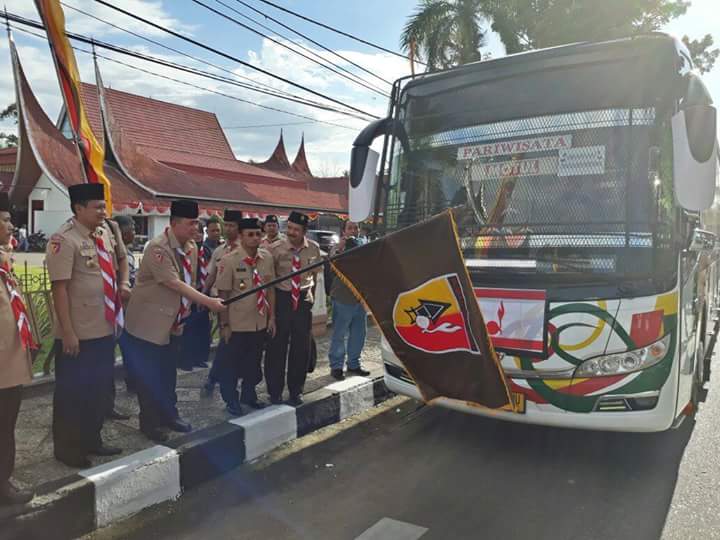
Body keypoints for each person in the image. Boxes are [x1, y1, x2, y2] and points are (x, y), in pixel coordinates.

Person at [124, 200, 225, 443]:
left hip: (172, 322)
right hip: (148, 324)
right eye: (191, 223)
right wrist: (208, 301)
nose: (195, 228)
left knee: (168, 373)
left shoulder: (190, 247)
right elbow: (173, 283)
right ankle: (149, 423)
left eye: (197, 223)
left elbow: (188, 282)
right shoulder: (157, 248)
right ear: (174, 223)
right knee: (149, 377)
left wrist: (184, 312)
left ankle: (169, 414)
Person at [46, 184, 128, 468]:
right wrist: (68, 332)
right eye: (97, 207)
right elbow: (60, 289)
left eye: (104, 206)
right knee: (72, 393)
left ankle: (93, 438)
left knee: (98, 389)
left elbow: (116, 267)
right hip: (78, 333)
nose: (103, 212)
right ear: (79, 208)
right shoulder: (63, 240)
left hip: (103, 328)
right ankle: (68, 449)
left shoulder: (103, 233)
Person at [216, 218, 276, 415]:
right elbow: (223, 295)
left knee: (253, 364)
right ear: (241, 236)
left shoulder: (266, 258)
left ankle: (248, 395)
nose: (255, 238)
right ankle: (231, 399)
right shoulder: (229, 260)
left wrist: (272, 318)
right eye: (250, 234)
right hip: (237, 324)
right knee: (231, 366)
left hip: (259, 322)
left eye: (258, 234)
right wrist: (224, 324)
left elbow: (270, 290)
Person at [0, 193, 35, 505]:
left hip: (9, 367)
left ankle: (3, 481)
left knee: (6, 427)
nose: (12, 226)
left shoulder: (4, 261)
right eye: (6, 220)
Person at [266, 211, 321, 406]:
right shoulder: (275, 249)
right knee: (276, 348)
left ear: (304, 231)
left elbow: (314, 277)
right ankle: (274, 391)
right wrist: (271, 313)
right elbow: (269, 283)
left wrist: (311, 297)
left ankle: (296, 390)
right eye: (289, 228)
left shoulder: (313, 249)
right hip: (282, 300)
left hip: (303, 301)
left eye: (296, 229)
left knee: (301, 348)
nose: (291, 232)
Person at [202, 210, 243, 394]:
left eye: (232, 225)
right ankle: (216, 380)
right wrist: (203, 296)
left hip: (245, 307)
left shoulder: (247, 249)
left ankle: (218, 378)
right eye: (226, 225)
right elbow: (211, 275)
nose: (228, 229)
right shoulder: (219, 251)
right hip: (224, 305)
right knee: (226, 343)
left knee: (236, 347)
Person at [328, 221, 370, 380]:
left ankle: (354, 364)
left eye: (356, 228)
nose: (353, 231)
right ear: (344, 231)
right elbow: (331, 265)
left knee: (359, 333)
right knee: (339, 333)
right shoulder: (338, 248)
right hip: (343, 297)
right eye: (350, 228)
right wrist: (340, 247)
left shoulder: (364, 246)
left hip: (360, 298)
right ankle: (336, 366)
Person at [178, 222, 213, 371]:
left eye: (201, 232)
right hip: (188, 293)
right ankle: (186, 359)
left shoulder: (205, 250)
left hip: (203, 293)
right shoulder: (185, 250)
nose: (199, 235)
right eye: (196, 232)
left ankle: (200, 358)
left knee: (202, 329)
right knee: (188, 330)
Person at [113, 215, 137, 395]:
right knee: (126, 345)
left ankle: (132, 380)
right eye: (132, 230)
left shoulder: (126, 253)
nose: (134, 234)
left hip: (129, 306)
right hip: (121, 307)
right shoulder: (116, 253)